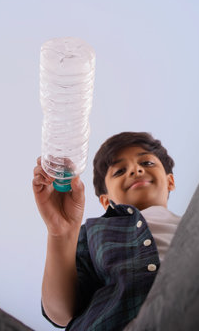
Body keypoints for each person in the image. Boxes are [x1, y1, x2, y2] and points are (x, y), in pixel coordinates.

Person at [33, 132, 181, 330]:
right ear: (106, 201)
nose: (135, 170)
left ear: (170, 181)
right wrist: (60, 233)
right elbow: (62, 313)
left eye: (147, 163)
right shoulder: (94, 232)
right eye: (119, 171)